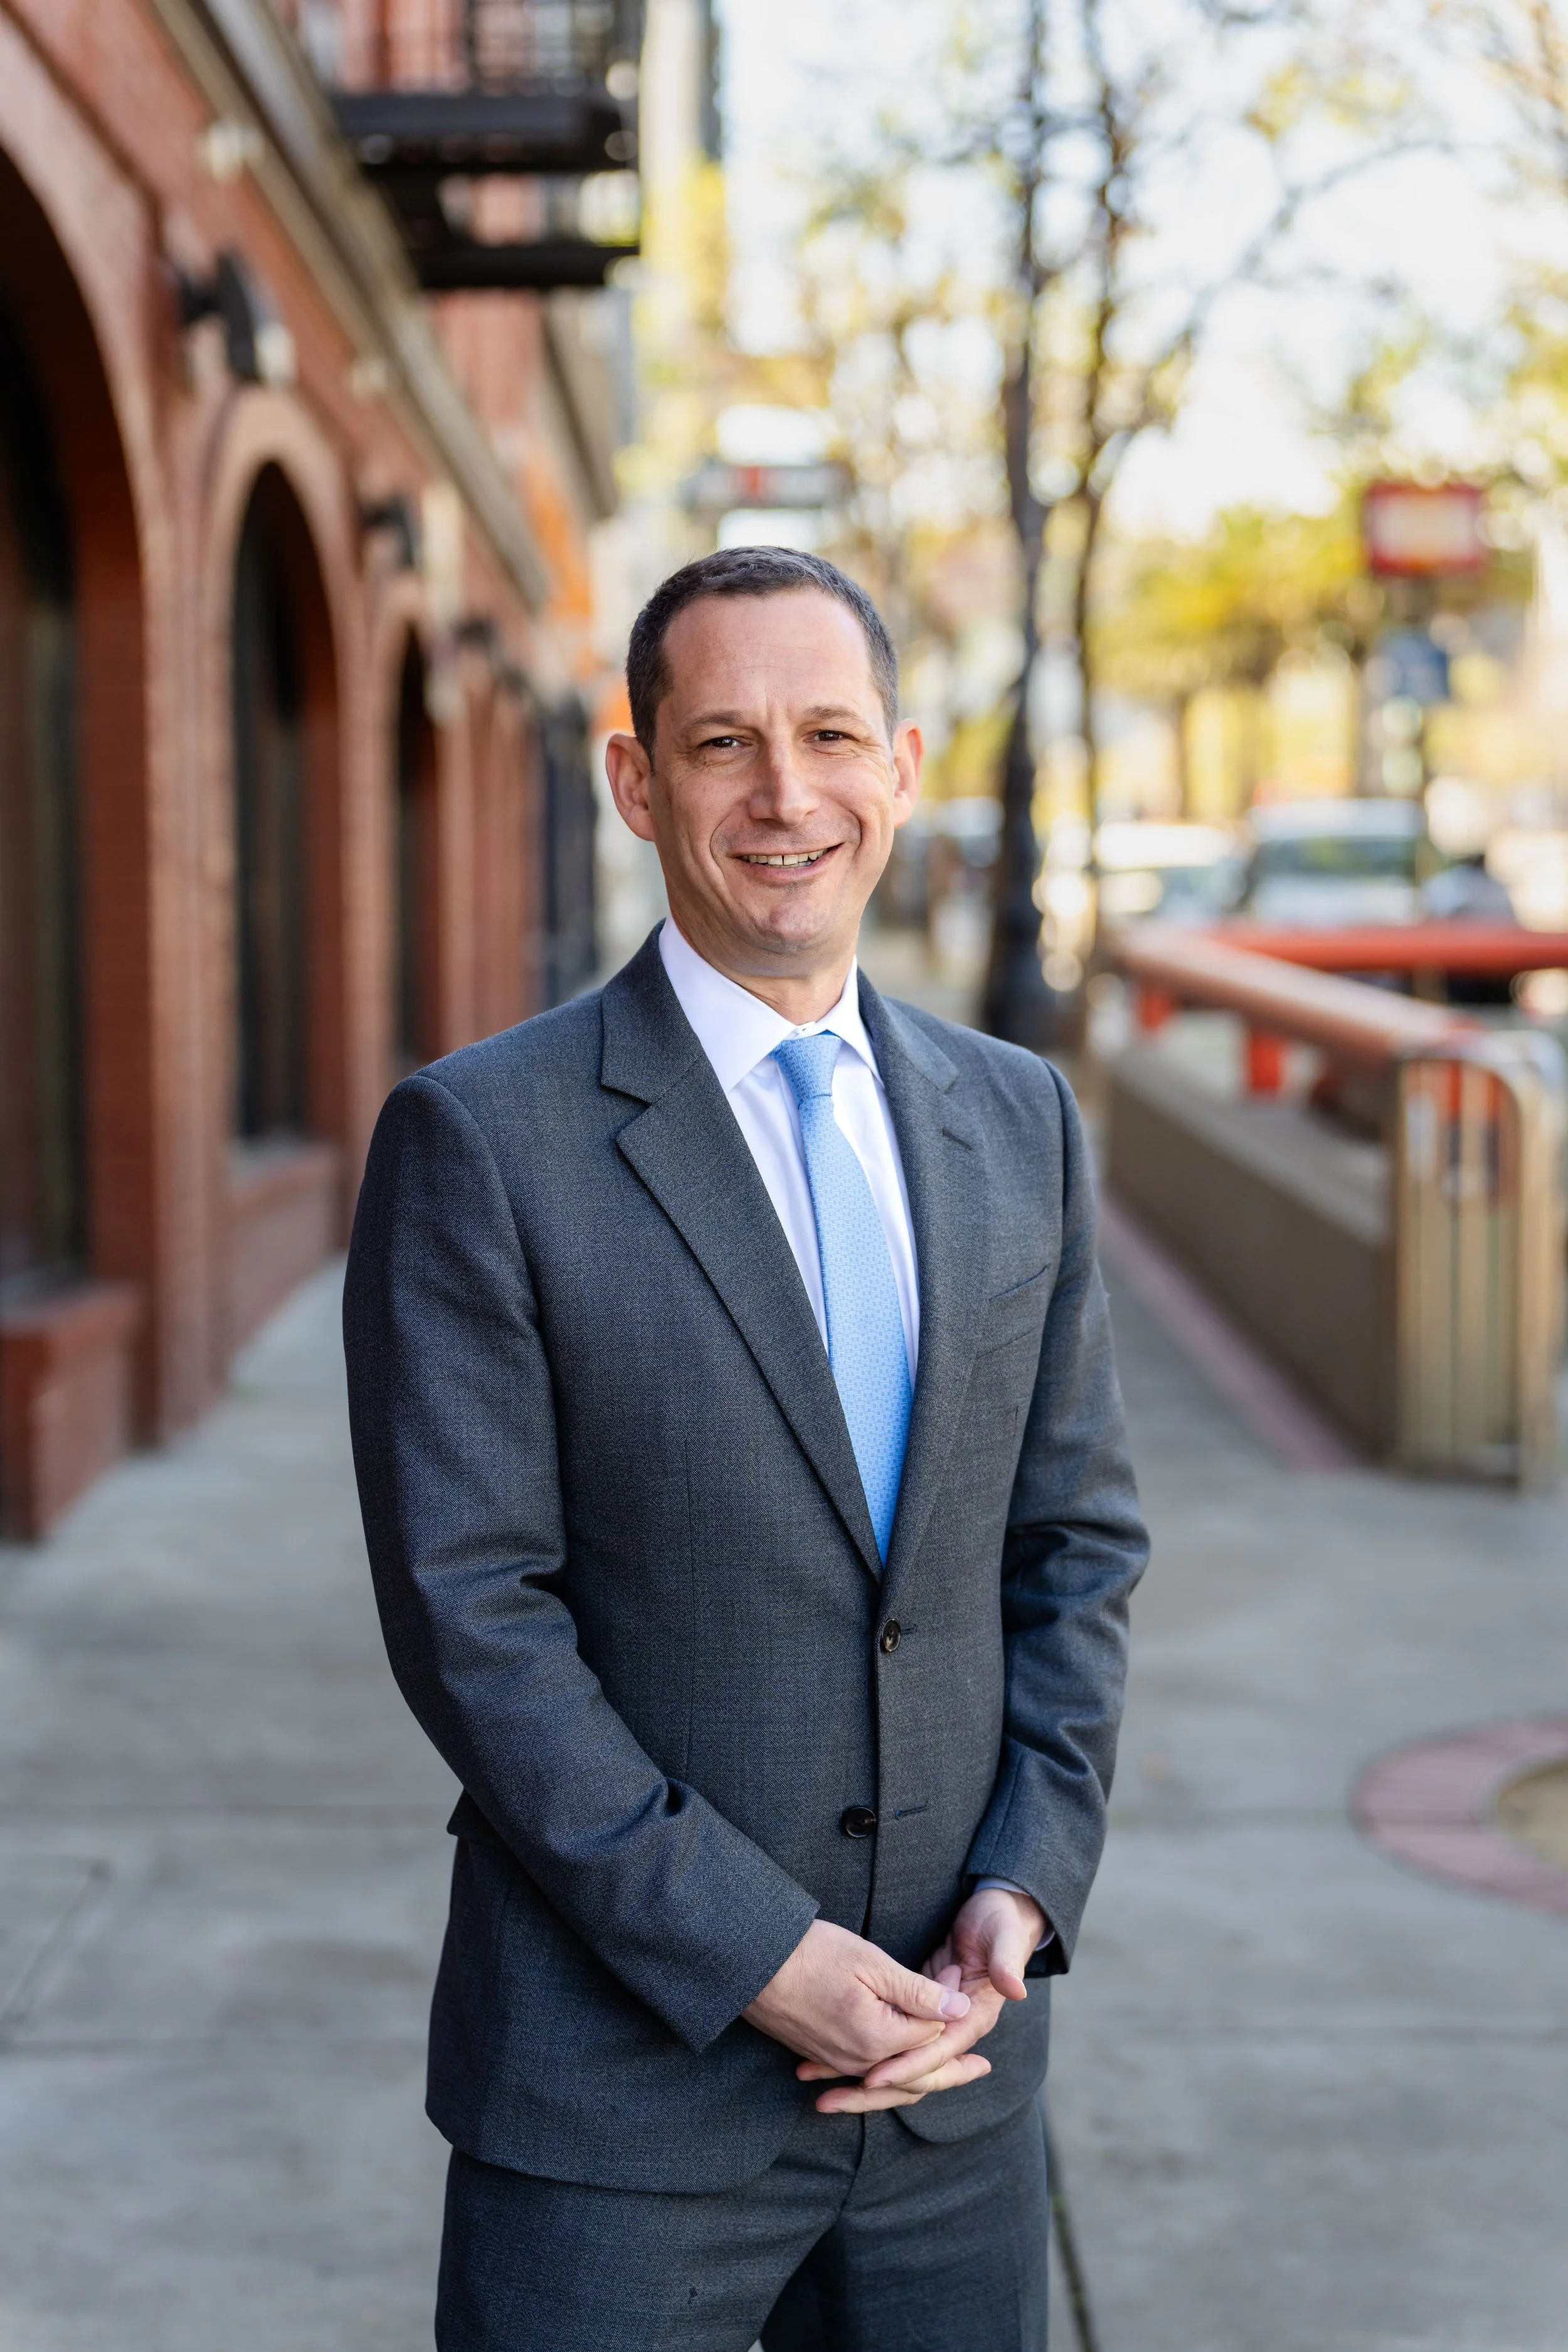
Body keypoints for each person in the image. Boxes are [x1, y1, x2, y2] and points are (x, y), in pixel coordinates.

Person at [343, 546, 1148, 2351]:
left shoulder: (1017, 1117)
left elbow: (1074, 1545)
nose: (786, 795)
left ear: (905, 764)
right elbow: (475, 1617)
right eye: (722, 742)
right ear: (637, 780)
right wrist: (762, 1961)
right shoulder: (483, 1138)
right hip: (621, 2109)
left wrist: (1023, 1885)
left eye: (828, 734)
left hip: (950, 2086)